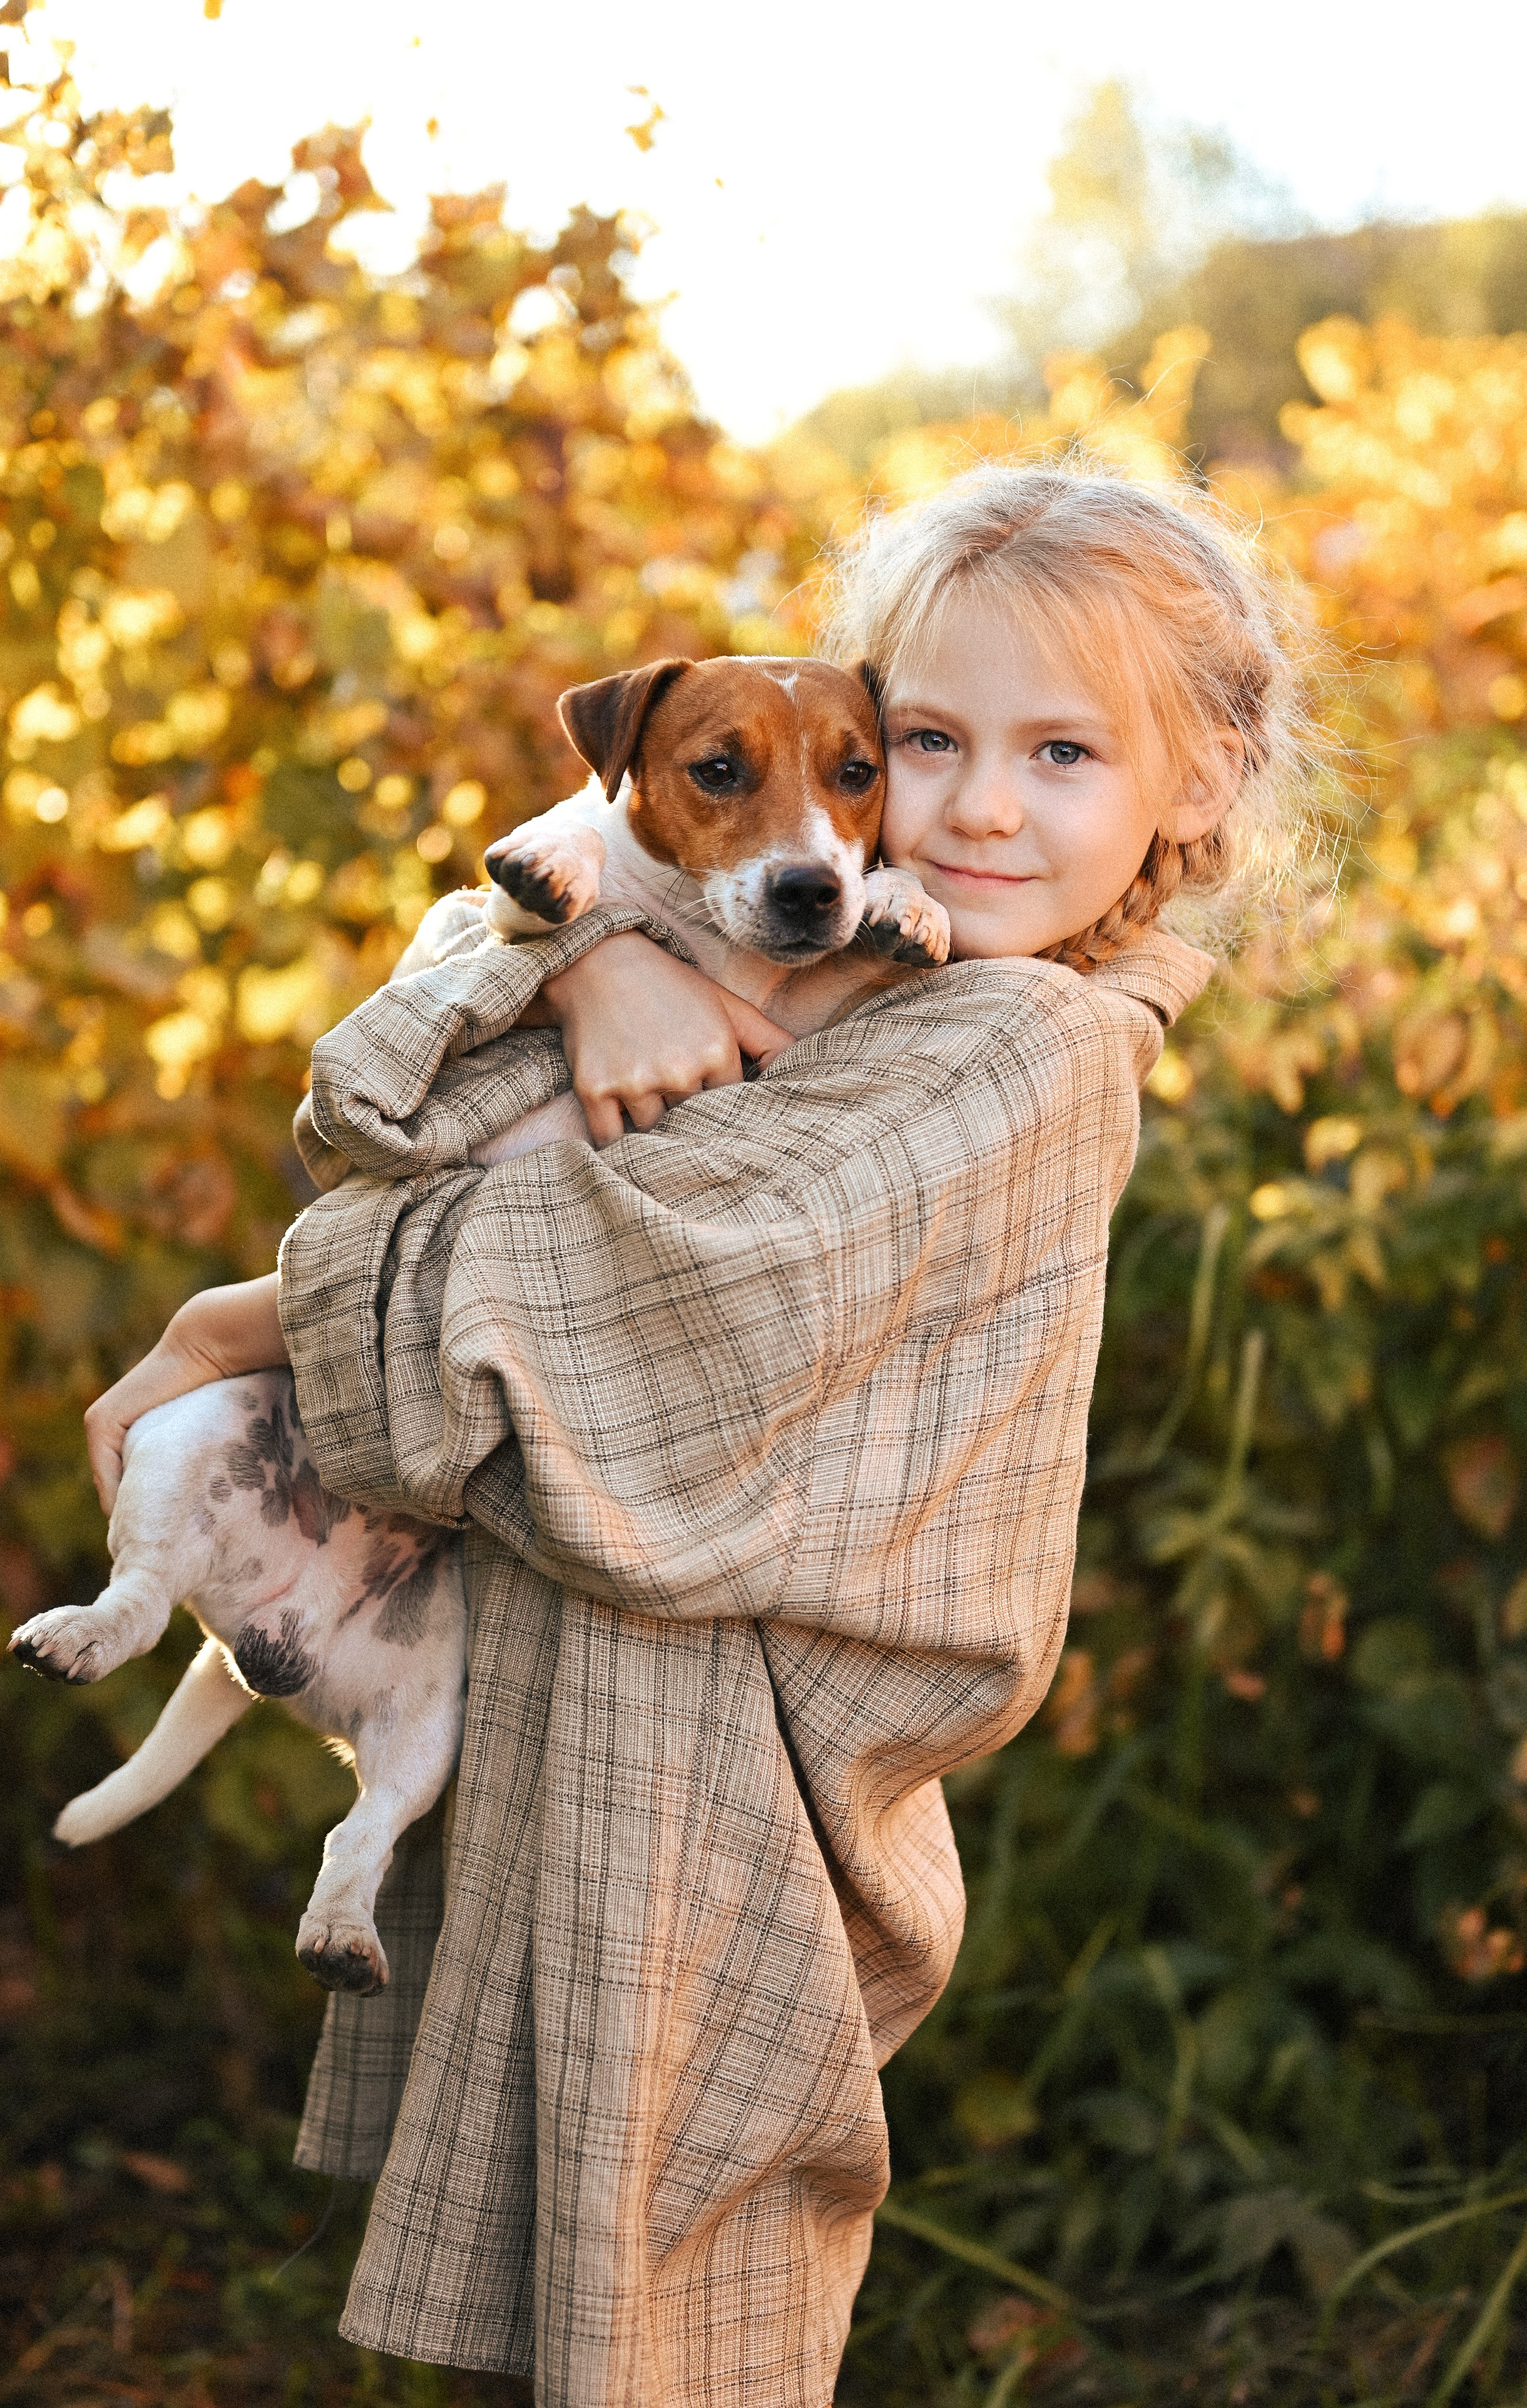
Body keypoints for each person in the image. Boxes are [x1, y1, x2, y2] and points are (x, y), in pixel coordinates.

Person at [81, 463, 1319, 2408]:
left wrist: (241, 1316)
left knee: (672, 2335)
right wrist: (590, 948)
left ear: (1201, 781)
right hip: (604, 1734)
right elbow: (376, 1091)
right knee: (591, 2325)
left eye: (1062, 750)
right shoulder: (873, 965)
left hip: (725, 1798)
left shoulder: (1017, 1053)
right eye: (930, 741)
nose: (977, 804)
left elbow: (559, 1310)